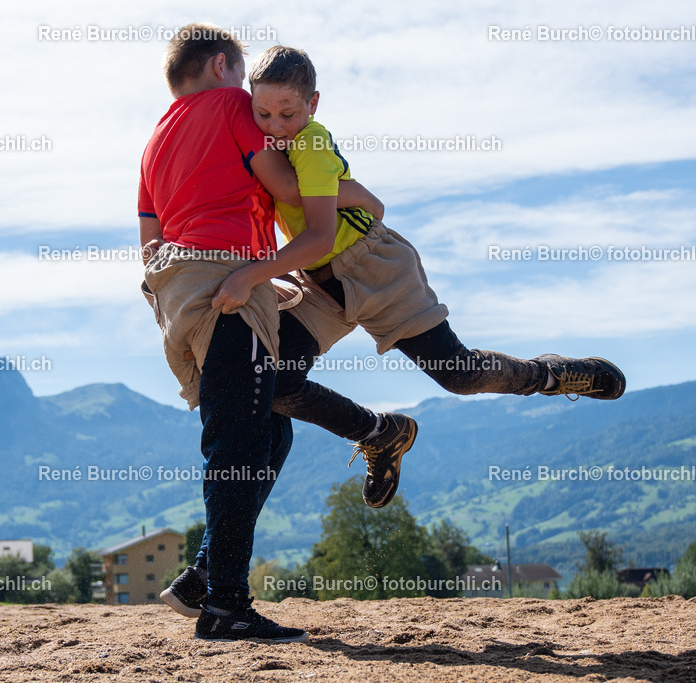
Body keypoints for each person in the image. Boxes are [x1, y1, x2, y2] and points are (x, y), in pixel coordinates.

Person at [209, 45, 626, 505]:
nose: (275, 124)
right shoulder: (267, 142)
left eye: (287, 113)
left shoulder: (309, 145)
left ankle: (550, 375)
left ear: (313, 104)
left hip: (374, 268)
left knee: (459, 374)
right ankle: (380, 434)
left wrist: (250, 275)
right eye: (262, 112)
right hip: (319, 285)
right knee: (274, 379)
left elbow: (321, 237)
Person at [140, 24, 415, 641]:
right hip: (229, 281)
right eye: (246, 83)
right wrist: (356, 196)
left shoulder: (157, 136)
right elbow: (290, 187)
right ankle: (226, 607)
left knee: (268, 432)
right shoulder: (233, 105)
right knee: (238, 441)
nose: (264, 115)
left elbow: (148, 233)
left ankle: (203, 582)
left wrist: (182, 289)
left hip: (175, 291)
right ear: (222, 66)